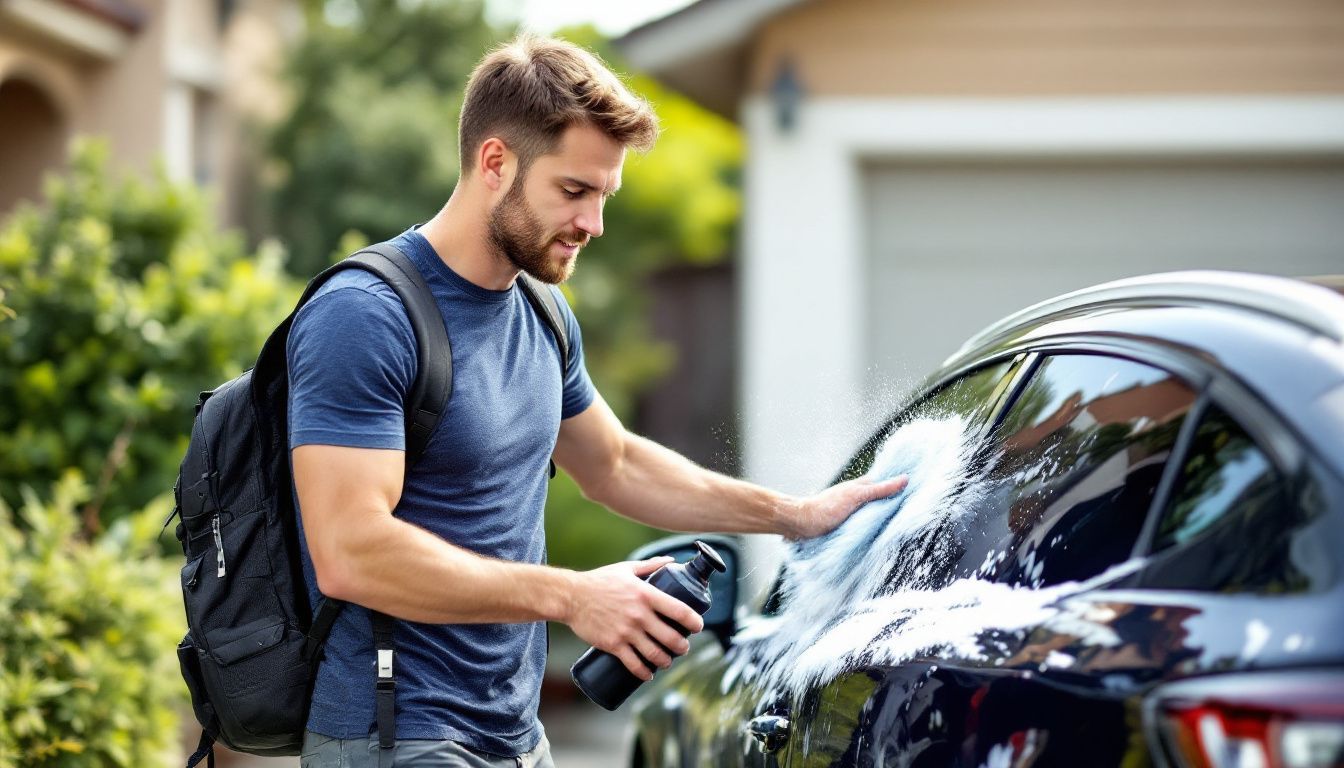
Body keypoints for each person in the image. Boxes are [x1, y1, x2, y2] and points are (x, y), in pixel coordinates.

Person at [288, 33, 908, 768]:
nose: (594, 225)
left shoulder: (542, 313)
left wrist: (793, 516)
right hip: (396, 737)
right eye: (573, 191)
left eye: (603, 195)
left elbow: (613, 464)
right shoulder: (367, 314)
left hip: (515, 738)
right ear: (495, 163)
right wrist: (574, 598)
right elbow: (350, 553)